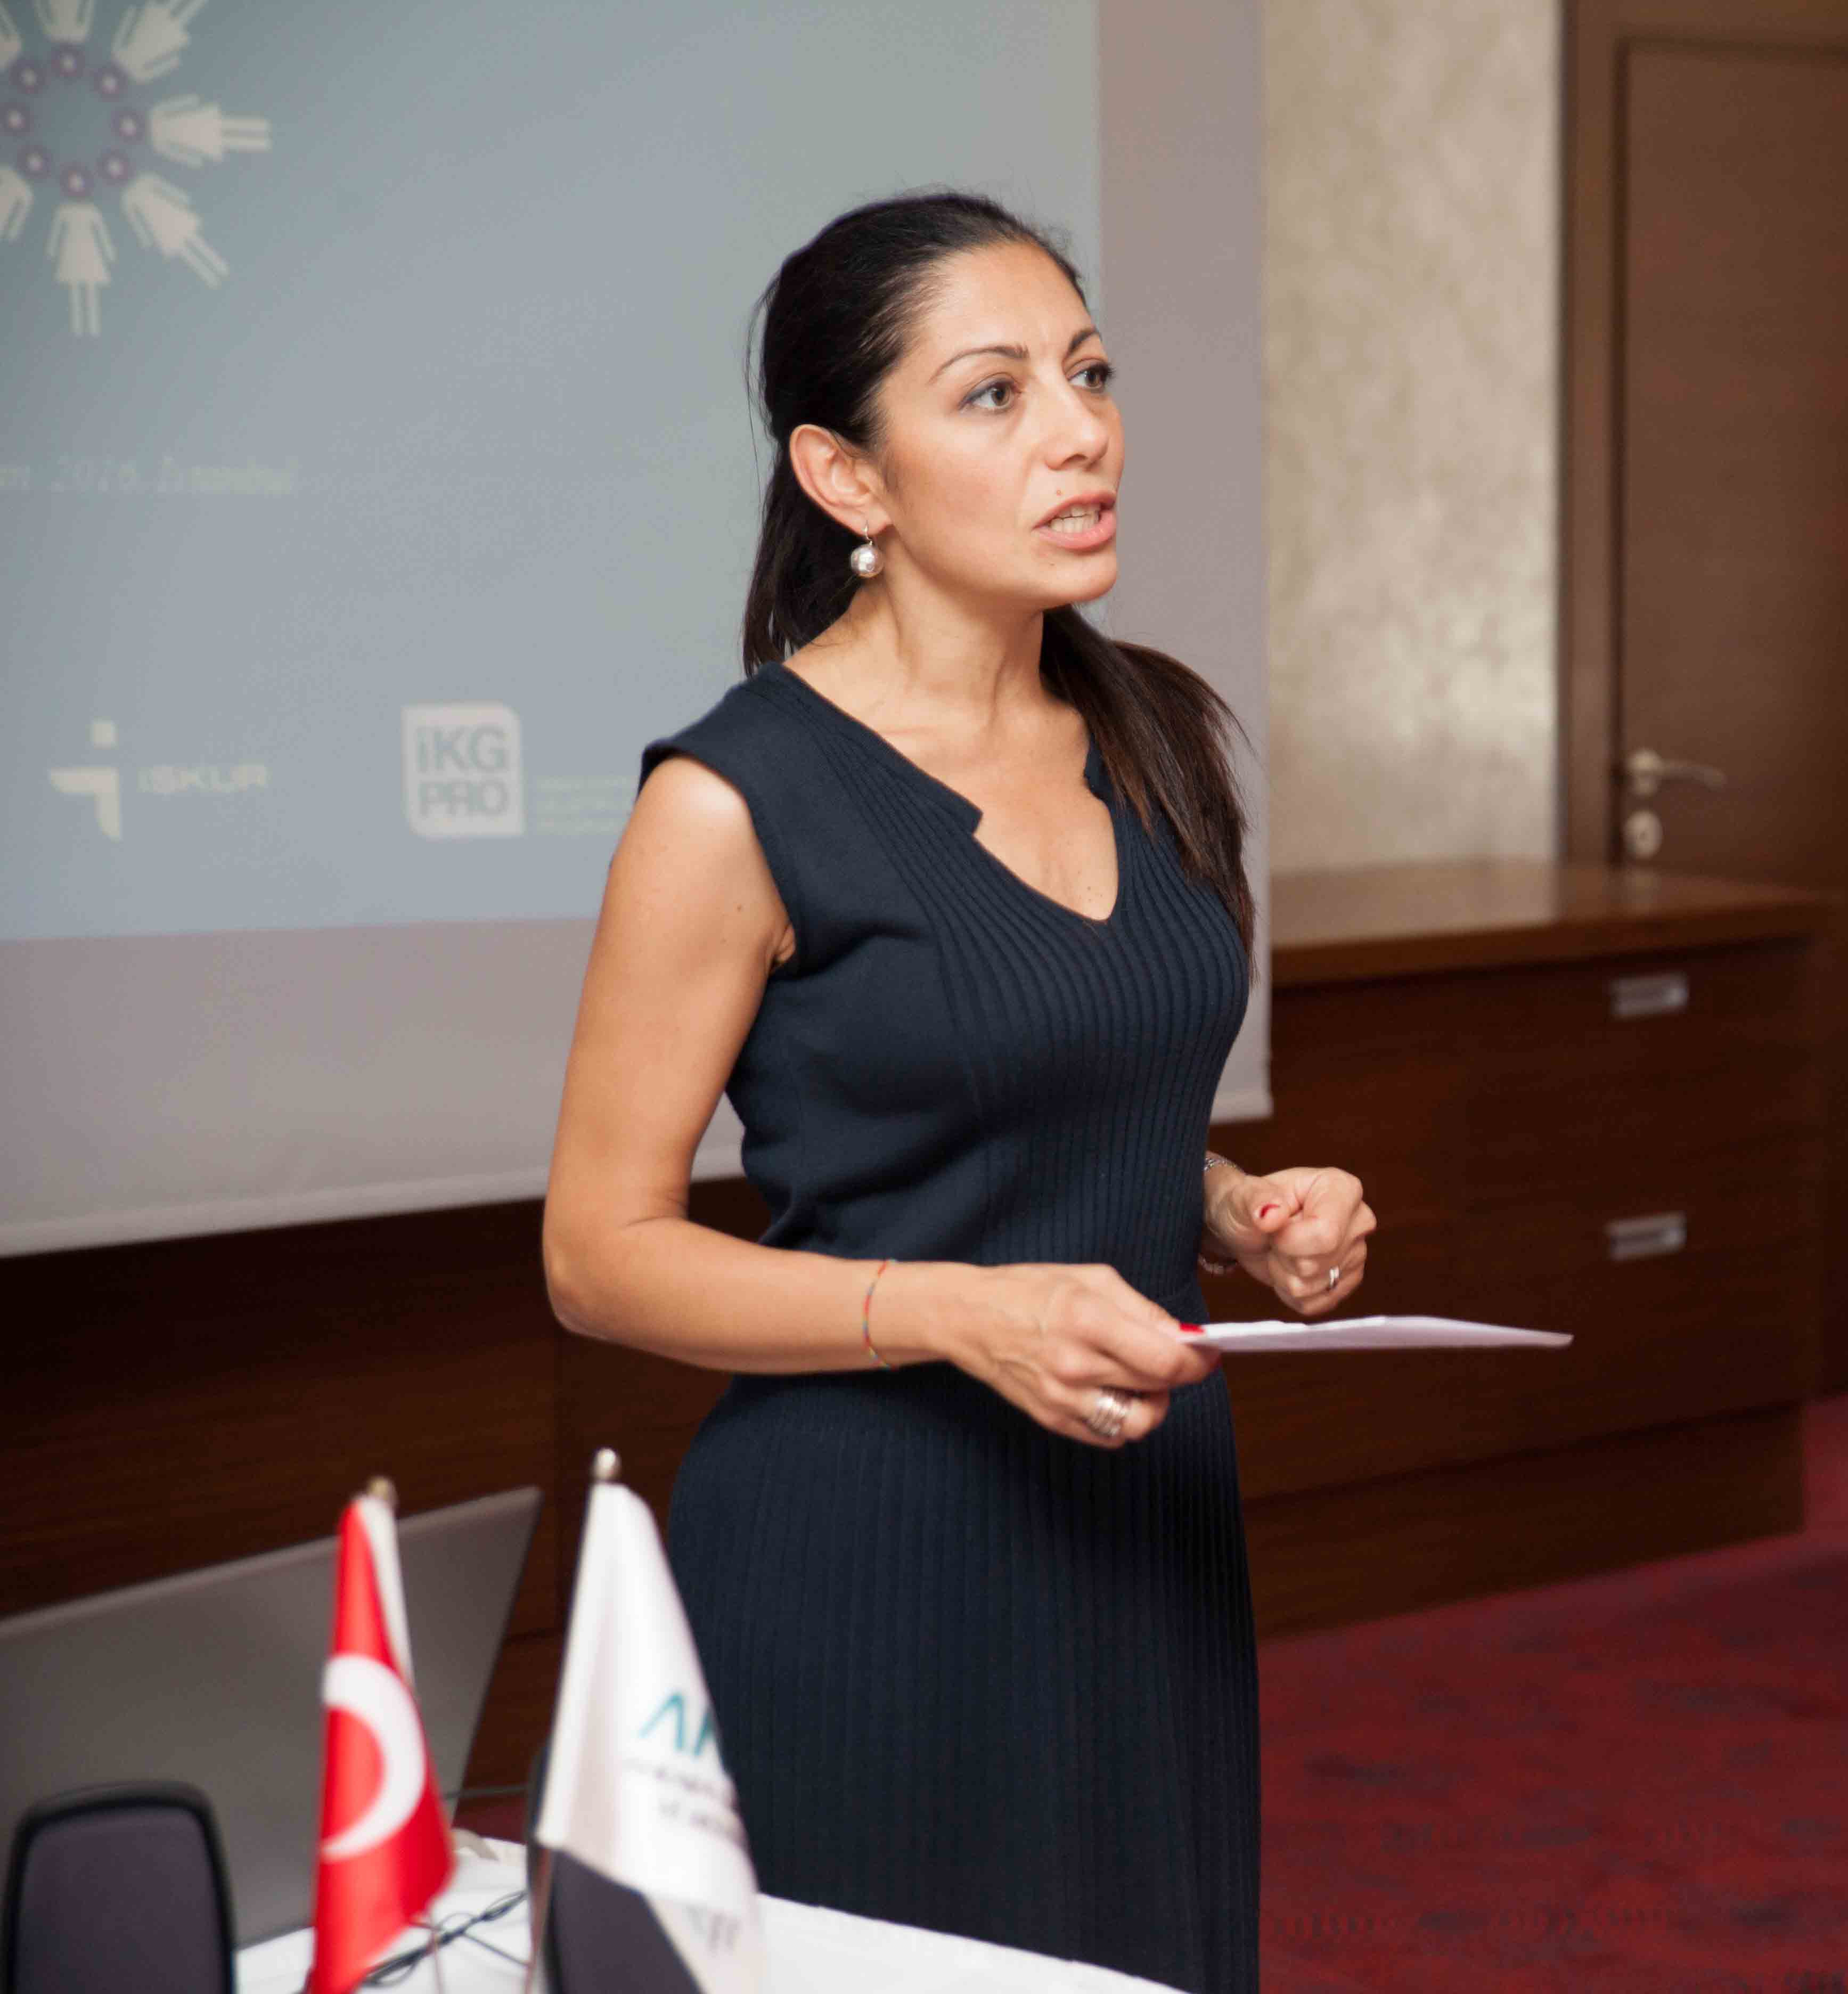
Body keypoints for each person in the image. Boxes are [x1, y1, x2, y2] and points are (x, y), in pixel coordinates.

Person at [540, 190, 1371, 1991]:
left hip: (1142, 1525)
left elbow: (1066, 1087)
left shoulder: (1155, 730)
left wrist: (1234, 1205)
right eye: (995, 394)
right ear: (848, 478)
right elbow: (597, 1255)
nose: (1080, 432)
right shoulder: (731, 800)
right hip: (872, 1555)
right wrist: (962, 1313)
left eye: (1088, 373)